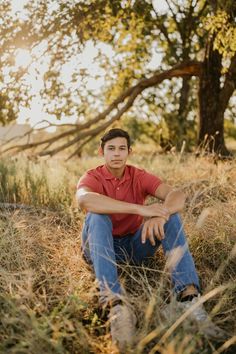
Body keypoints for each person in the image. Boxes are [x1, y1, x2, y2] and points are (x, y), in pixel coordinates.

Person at [76, 128, 226, 350]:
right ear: (101, 151)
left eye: (121, 149)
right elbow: (85, 201)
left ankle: (187, 300)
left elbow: (177, 195)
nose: (116, 154)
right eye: (111, 149)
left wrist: (161, 214)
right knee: (98, 217)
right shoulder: (92, 177)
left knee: (172, 216)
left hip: (133, 247)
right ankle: (115, 306)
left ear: (129, 152)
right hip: (99, 247)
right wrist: (141, 210)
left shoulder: (138, 175)